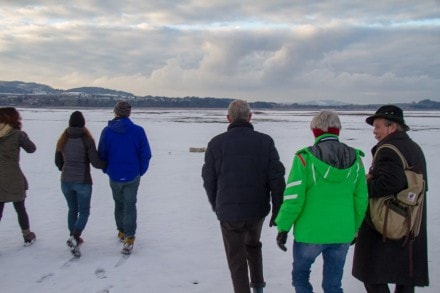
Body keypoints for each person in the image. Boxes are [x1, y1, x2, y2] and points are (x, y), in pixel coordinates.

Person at [275, 110, 368, 293]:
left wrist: (283, 227)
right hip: (342, 232)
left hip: (310, 233)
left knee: (300, 278)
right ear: (338, 130)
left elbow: (294, 198)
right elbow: (361, 199)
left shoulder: (304, 158)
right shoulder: (356, 160)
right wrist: (355, 228)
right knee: (333, 285)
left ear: (315, 131)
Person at [202, 99, 286, 293]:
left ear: (228, 118)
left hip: (229, 211)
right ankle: (258, 287)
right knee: (253, 245)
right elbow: (277, 179)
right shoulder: (265, 141)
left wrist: (218, 205)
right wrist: (277, 209)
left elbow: (209, 179)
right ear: (249, 117)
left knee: (236, 257)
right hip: (257, 209)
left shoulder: (216, 143)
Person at [352, 105, 429, 292]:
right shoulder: (413, 147)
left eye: (378, 127)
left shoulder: (388, 149)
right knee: (404, 277)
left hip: (385, 224)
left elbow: (388, 184)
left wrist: (363, 185)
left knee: (371, 274)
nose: (375, 132)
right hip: (411, 222)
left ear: (392, 127)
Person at [98, 101, 152, 255]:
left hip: (115, 174)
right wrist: (140, 171)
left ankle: (122, 231)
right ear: (129, 113)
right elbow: (146, 154)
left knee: (119, 203)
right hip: (131, 174)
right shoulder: (138, 131)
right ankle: (129, 236)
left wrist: (106, 169)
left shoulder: (107, 131)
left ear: (115, 113)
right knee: (129, 204)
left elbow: (102, 153)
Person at [55, 111, 106, 257]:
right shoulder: (87, 140)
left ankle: (73, 236)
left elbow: (58, 161)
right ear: (83, 123)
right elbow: (96, 162)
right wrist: (107, 164)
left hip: (65, 181)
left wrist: (65, 169)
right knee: (84, 211)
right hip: (82, 181)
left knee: (72, 209)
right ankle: (75, 236)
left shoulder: (62, 139)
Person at [0, 107, 37, 245]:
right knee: (20, 208)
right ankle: (27, 235)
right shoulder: (17, 134)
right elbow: (31, 149)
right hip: (13, 176)